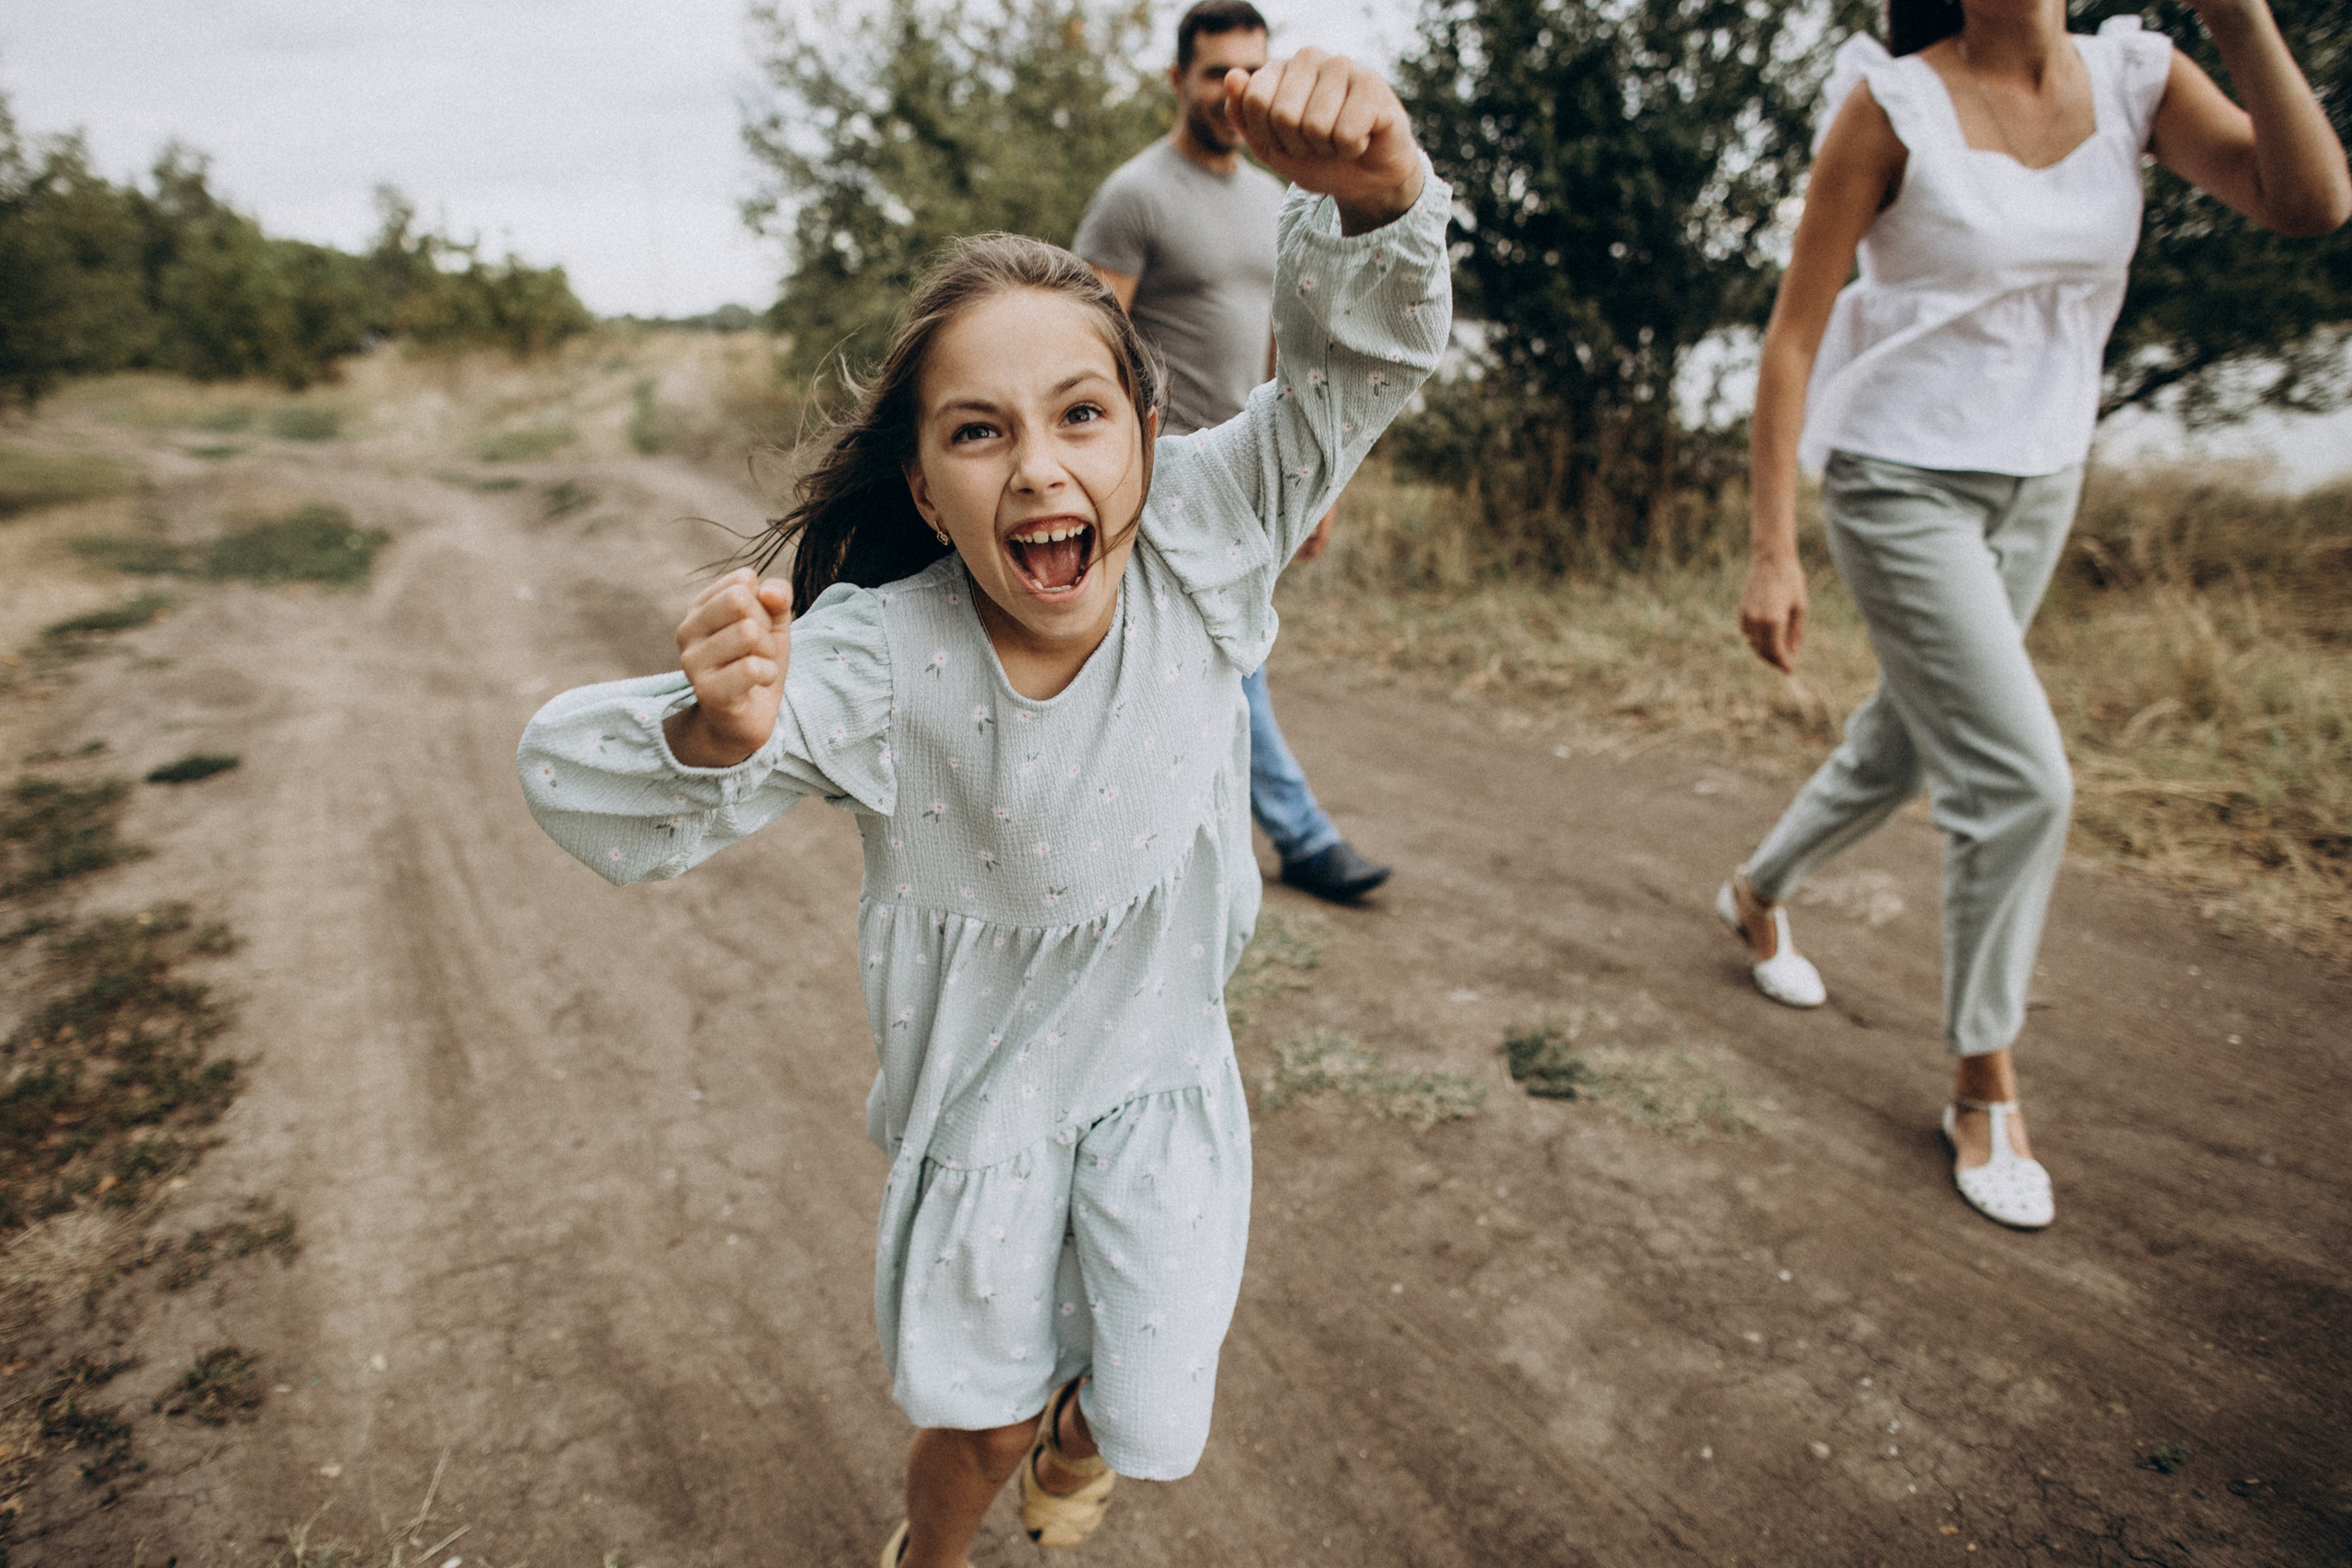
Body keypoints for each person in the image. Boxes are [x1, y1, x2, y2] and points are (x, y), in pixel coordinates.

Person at [518, 51, 1450, 1568]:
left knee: (1138, 1405)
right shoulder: (885, 656)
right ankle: (934, 1551)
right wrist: (714, 719)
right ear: (926, 482)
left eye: (1083, 413)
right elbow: (594, 779)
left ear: (1149, 424)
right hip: (990, 1120)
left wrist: (1375, 201)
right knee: (985, 1424)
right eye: (978, 432)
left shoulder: (1207, 532)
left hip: (1162, 1084)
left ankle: (1080, 1429)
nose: (1040, 469)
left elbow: (1351, 376)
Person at [1722, 0, 2347, 1228]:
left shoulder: (2138, 78)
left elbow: (2311, 201)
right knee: (2022, 781)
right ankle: (1982, 1081)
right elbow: (1794, 338)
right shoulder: (1892, 102)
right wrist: (1771, 548)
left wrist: (2244, 20)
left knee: (1905, 738)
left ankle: (1757, 888)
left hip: (2040, 479)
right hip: (1900, 481)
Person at [1073, 0, 1394, 904]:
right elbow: (1086, 352)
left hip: (1249, 481)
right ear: (1178, 80)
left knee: (1192, 662)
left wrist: (1313, 484)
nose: (1234, 90)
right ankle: (1303, 839)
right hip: (1163, 482)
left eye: (1250, 69)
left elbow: (1283, 349)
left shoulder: (1277, 197)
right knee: (1225, 656)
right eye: (1216, 72)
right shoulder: (1134, 195)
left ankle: (1134, 829)